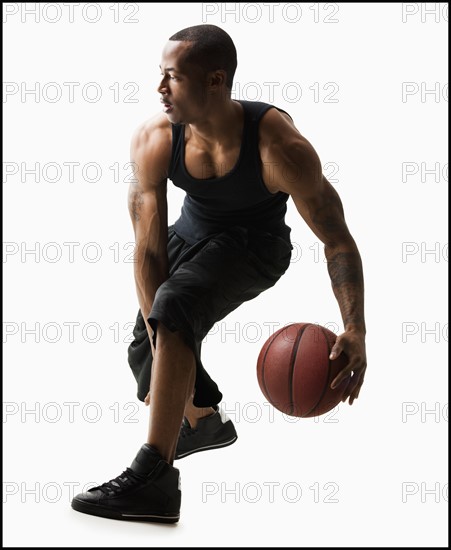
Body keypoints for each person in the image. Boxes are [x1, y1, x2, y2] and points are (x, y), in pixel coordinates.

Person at [71, 24, 367, 523]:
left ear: (214, 81)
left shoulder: (279, 147)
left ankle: (154, 479)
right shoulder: (156, 138)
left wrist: (355, 328)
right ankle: (204, 422)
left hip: (255, 245)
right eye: (159, 76)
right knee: (145, 347)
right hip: (190, 237)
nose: (160, 89)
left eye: (172, 77)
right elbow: (147, 250)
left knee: (177, 306)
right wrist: (156, 329)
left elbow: (337, 238)